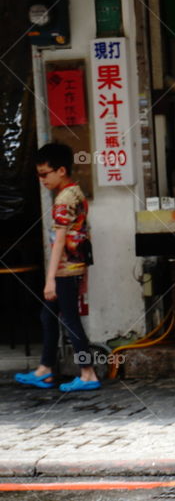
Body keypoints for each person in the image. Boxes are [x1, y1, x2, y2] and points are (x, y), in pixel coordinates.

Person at [15, 143, 99, 392]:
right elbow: (86, 236)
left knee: (70, 321)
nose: (42, 179)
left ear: (61, 170)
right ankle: (46, 369)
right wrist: (85, 272)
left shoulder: (64, 199)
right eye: (39, 174)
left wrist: (50, 279)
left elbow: (60, 241)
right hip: (73, 268)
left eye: (44, 173)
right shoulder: (77, 194)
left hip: (65, 270)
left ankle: (87, 373)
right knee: (48, 316)